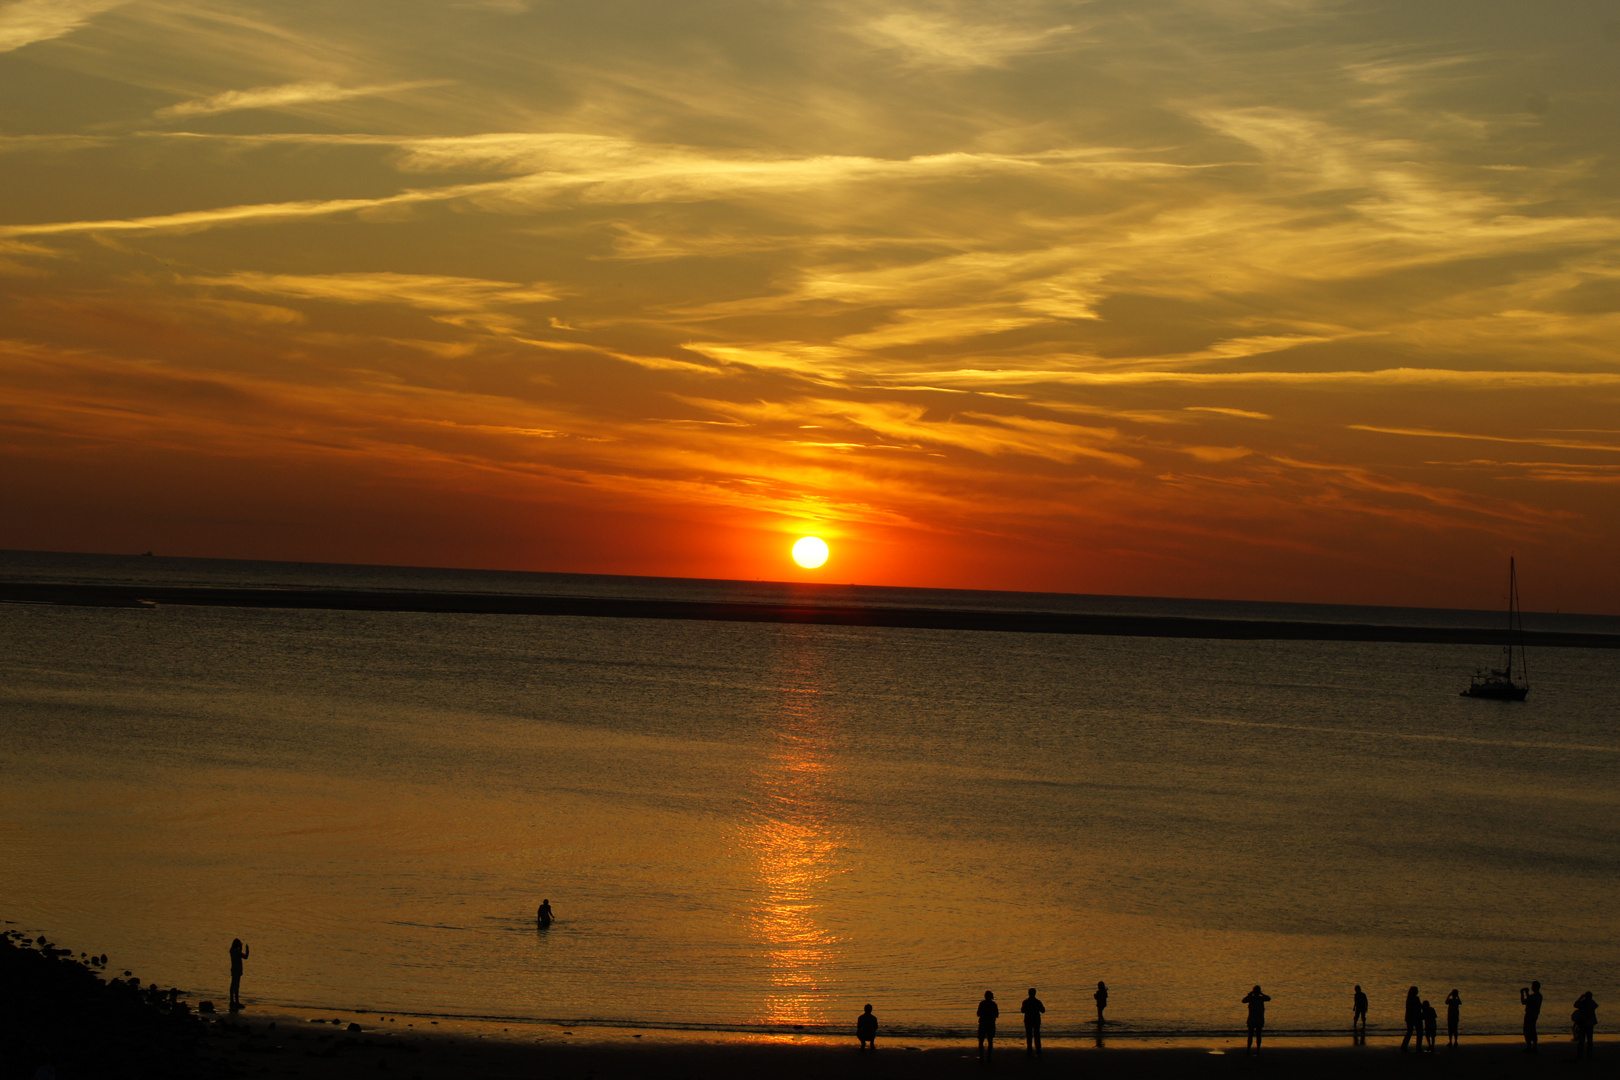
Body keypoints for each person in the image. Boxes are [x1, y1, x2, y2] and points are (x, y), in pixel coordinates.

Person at [1243, 986, 1270, 1055]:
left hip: (1254, 1019)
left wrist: (1249, 995)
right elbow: (1243, 1001)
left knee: (1252, 1035)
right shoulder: (1259, 998)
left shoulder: (1253, 998)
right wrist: (1261, 994)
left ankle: (1250, 1049)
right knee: (1257, 1035)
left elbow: (1269, 998)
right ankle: (1255, 1049)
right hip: (1257, 1019)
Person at [1020, 988, 1045, 1058]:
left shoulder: (1025, 1002)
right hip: (1036, 1019)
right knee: (1037, 1035)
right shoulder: (1037, 1002)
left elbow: (1022, 1010)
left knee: (1029, 1035)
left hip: (1028, 1020)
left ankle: (1029, 1051)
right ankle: (1038, 1051)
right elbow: (1043, 1010)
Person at [1571, 992, 1597, 1061]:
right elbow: (1596, 1005)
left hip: (1583, 1023)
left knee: (1582, 1040)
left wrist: (1580, 998)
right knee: (1589, 1040)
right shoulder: (1592, 1003)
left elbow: (1575, 1005)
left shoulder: (1583, 1003)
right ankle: (1589, 1055)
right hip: (1590, 1023)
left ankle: (1580, 1054)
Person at [976, 991, 999, 1061]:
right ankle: (988, 1057)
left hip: (983, 1023)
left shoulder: (982, 1003)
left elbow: (978, 1014)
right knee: (990, 1040)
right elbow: (997, 1015)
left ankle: (981, 1056)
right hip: (990, 1023)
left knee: (981, 1040)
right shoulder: (993, 1004)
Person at [228, 939, 249, 1011]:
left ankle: (232, 1001)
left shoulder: (232, 951)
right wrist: (246, 949)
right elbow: (245, 957)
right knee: (236, 986)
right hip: (237, 970)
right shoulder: (236, 951)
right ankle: (235, 1002)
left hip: (234, 969)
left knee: (233, 985)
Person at [1521, 981, 1543, 1051]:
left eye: (1533, 986)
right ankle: (1533, 1046)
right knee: (1532, 1028)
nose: (1532, 988)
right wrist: (1527, 993)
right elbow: (1529, 1000)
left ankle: (1530, 1046)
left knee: (1527, 1029)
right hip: (1534, 1014)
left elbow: (1524, 1002)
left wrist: (1522, 994)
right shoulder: (1539, 996)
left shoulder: (1535, 996)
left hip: (1530, 1014)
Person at [1401, 986, 1421, 1051]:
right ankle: (1418, 1047)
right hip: (1416, 1017)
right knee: (1419, 1032)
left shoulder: (1409, 999)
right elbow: (1419, 1007)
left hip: (1409, 1017)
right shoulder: (1415, 998)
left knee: (1409, 1032)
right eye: (1417, 990)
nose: (1417, 991)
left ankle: (1404, 1046)